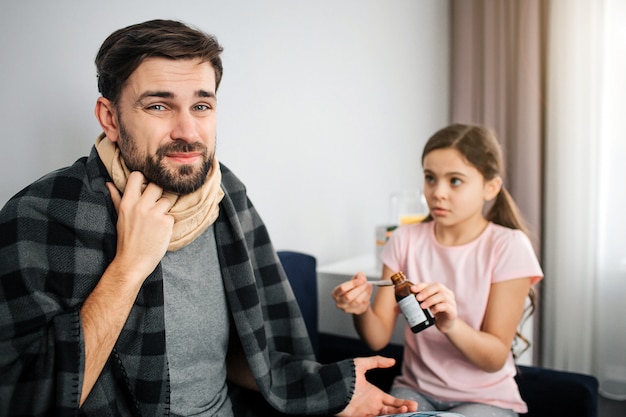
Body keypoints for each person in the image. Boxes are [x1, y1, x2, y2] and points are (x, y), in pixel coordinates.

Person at [0, 19, 418, 417]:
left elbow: (242, 360)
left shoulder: (225, 196)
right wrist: (128, 269)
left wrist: (332, 391)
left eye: (201, 105)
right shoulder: (41, 214)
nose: (188, 131)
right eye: (160, 105)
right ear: (110, 118)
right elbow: (25, 400)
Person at [332, 123, 544, 417]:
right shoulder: (405, 239)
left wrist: (450, 325)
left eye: (455, 181)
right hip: (416, 390)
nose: (438, 193)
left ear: (490, 187)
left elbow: (495, 358)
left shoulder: (508, 246)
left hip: (486, 400)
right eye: (430, 178)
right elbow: (377, 338)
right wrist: (360, 308)